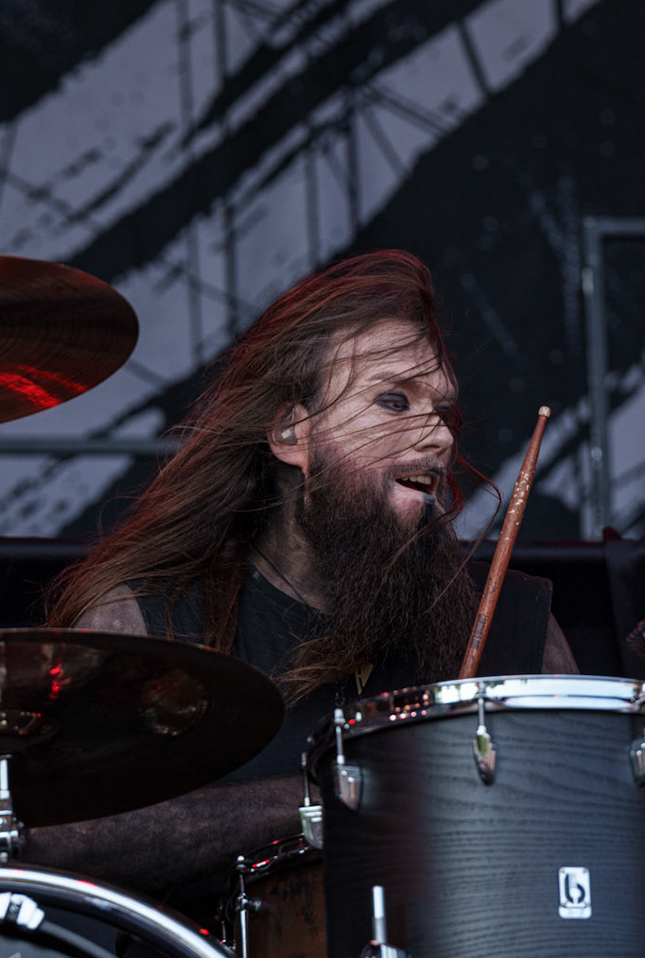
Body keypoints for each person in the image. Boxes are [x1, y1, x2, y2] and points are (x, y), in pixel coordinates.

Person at [29, 249, 576, 892]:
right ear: (293, 434)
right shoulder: (160, 615)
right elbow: (62, 834)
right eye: (395, 400)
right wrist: (343, 790)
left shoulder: (513, 626)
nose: (440, 437)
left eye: (444, 413)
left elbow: (597, 819)